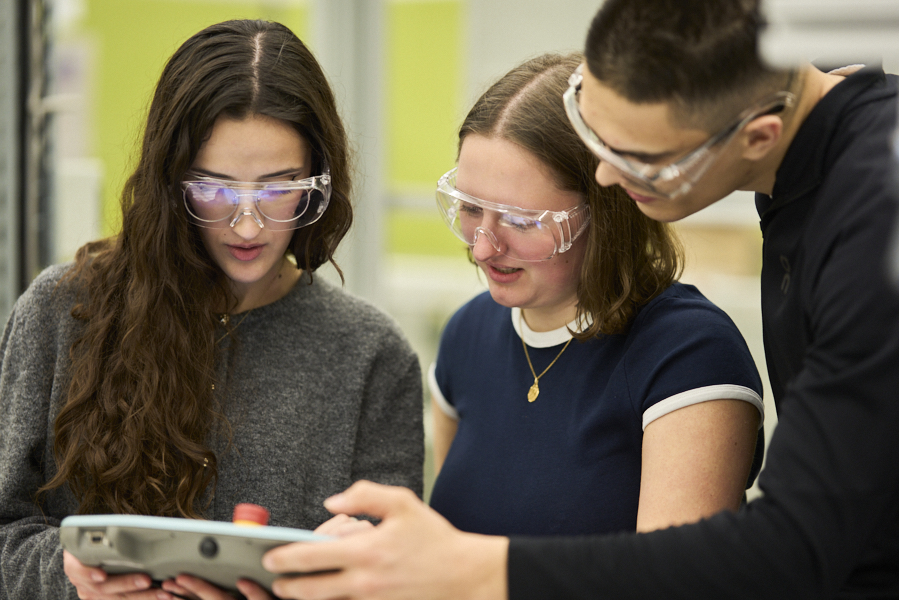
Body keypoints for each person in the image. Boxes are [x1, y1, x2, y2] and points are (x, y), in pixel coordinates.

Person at [258, 1, 899, 599]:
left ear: (756, 138)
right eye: (594, 133)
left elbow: (798, 541)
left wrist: (465, 567)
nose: (607, 178)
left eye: (638, 159)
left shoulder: (873, 219)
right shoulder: (814, 164)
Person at [0, 19, 423, 600]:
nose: (247, 225)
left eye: (278, 188)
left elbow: (397, 573)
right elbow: (5, 537)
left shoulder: (370, 354)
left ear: (319, 184)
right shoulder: (60, 312)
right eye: (215, 190)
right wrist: (73, 576)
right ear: (168, 184)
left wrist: (351, 573)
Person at [428, 52, 763, 538]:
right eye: (471, 208)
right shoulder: (467, 333)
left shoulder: (689, 354)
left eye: (522, 221)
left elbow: (673, 580)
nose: (483, 247)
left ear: (605, 214)